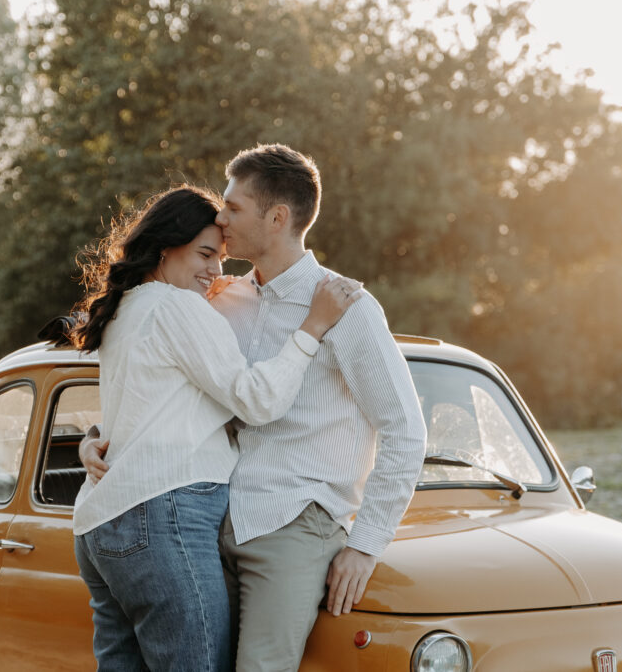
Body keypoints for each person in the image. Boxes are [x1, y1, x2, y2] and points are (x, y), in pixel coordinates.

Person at [83, 145, 427, 671]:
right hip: (213, 523)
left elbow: (404, 430)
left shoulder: (346, 307)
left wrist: (366, 543)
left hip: (295, 523)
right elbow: (166, 385)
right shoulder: (218, 299)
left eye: (233, 207)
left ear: (277, 218)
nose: (221, 218)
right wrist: (98, 437)